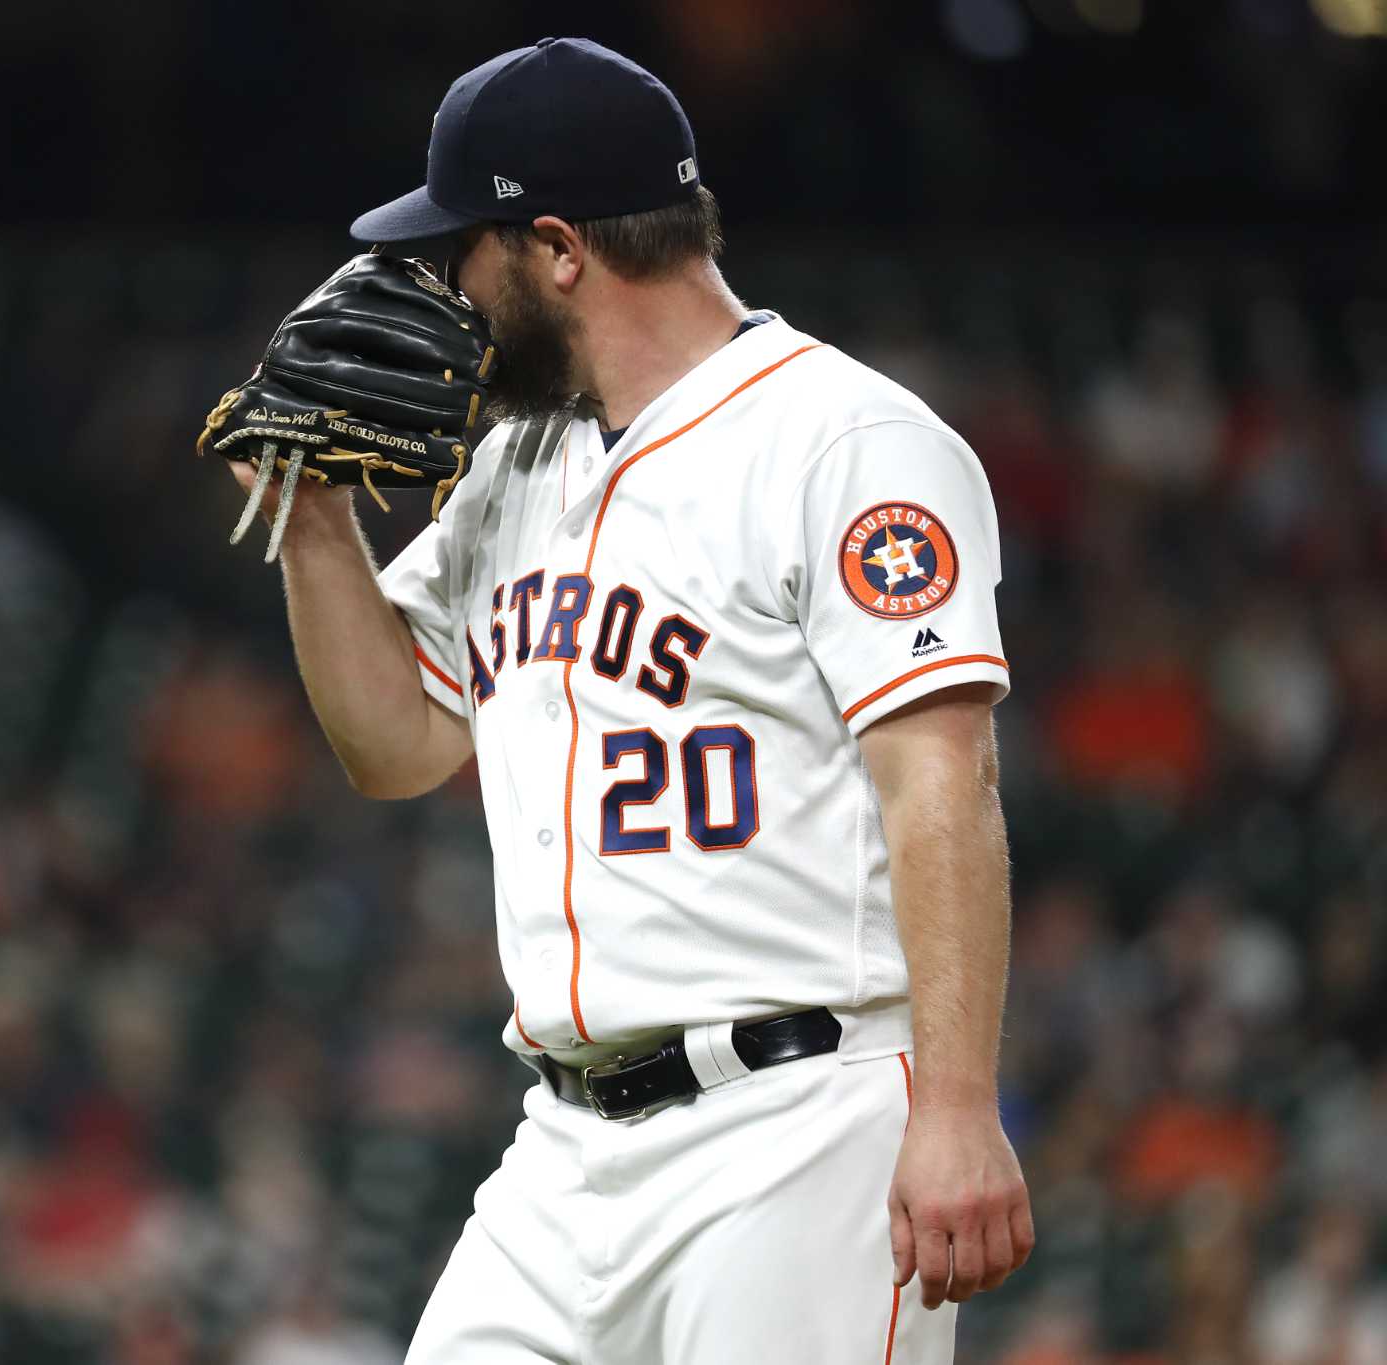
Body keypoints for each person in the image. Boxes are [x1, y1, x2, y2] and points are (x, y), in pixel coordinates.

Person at [223, 36, 1034, 1364]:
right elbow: (400, 744)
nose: (446, 291)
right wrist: (315, 518)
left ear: (556, 249)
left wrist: (954, 1106)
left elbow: (943, 781)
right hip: (562, 1144)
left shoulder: (844, 440)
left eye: (463, 252)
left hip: (800, 1124)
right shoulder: (514, 469)